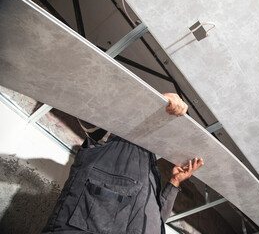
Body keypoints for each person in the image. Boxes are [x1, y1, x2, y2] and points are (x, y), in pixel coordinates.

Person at [42, 93, 204, 234]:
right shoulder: (118, 139)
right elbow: (86, 106)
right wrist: (150, 104)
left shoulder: (151, 170)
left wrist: (174, 183)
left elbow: (154, 219)